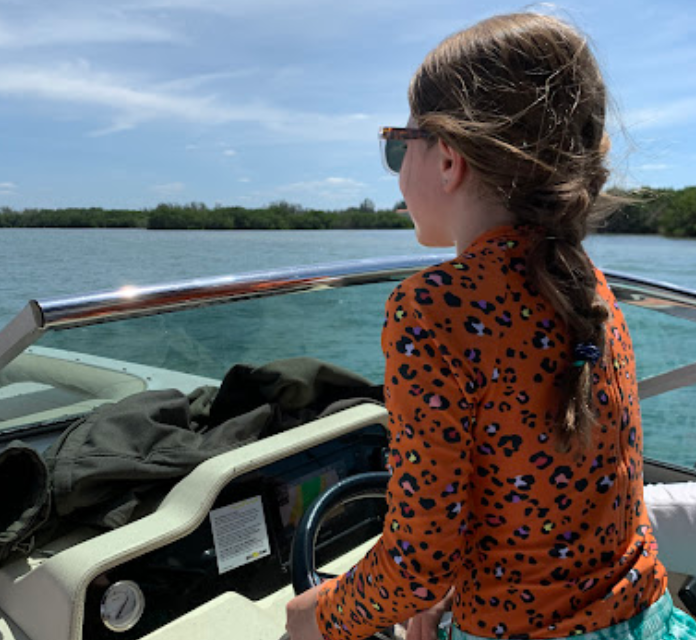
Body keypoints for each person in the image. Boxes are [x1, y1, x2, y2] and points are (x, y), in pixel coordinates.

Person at [286, 11, 696, 640]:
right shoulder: (583, 280)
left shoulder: (432, 307)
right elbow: (541, 485)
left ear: (447, 160)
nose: (396, 169)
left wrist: (322, 616)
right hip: (648, 619)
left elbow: (417, 564)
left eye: (399, 145)